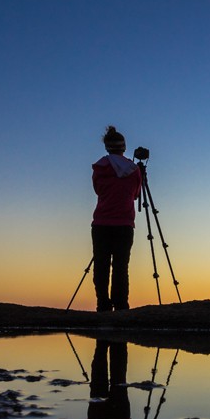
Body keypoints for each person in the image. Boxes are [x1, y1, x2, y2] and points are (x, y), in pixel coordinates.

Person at [90, 126, 144, 312]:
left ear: (107, 147)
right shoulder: (134, 170)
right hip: (124, 224)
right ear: (124, 147)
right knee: (121, 266)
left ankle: (102, 304)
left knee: (101, 265)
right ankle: (121, 305)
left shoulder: (99, 168)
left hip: (101, 223)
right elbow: (135, 194)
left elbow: (98, 190)